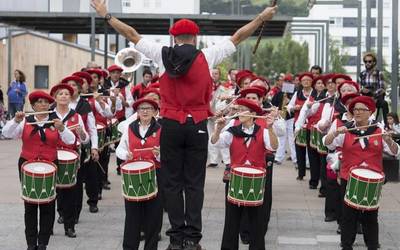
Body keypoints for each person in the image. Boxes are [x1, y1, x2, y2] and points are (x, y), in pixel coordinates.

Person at [91, 1, 278, 249]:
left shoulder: (161, 54)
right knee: (194, 183)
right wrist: (261, 18)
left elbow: (132, 34)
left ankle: (176, 237)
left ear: (174, 37)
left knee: (171, 182)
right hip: (197, 124)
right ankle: (193, 238)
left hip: (170, 124)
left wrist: (107, 16)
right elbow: (239, 35)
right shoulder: (208, 55)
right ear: (195, 37)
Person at [323, 96, 400, 250]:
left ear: (370, 112)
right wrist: (335, 133)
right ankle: (346, 245)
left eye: (360, 109)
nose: (356, 112)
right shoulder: (346, 129)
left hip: (373, 180)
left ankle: (372, 245)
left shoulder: (378, 130)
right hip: (348, 177)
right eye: (354, 109)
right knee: (348, 216)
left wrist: (390, 141)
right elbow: (327, 143)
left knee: (371, 216)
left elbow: (396, 152)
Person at [2, 90, 76, 250]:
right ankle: (31, 243)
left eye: (46, 102)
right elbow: (6, 133)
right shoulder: (25, 121)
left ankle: (43, 242)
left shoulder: (55, 121)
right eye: (39, 102)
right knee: (29, 205)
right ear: (34, 106)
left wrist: (62, 128)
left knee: (48, 204)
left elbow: (71, 140)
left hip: (50, 164)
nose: (43, 104)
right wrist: (15, 120)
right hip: (27, 163)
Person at [211, 98, 278, 250]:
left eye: (243, 110)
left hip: (257, 179)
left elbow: (274, 146)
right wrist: (218, 129)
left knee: (256, 220)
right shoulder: (232, 131)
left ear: (253, 114)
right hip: (236, 179)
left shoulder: (264, 131)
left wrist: (271, 128)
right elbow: (215, 142)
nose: (239, 112)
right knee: (232, 219)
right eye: (238, 109)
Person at [116, 98, 163, 250]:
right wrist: (126, 155)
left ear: (155, 112)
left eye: (149, 108)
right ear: (137, 112)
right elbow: (119, 150)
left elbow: (169, 155)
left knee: (153, 217)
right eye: (142, 108)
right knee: (132, 217)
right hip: (133, 176)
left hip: (155, 175)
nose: (145, 111)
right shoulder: (130, 128)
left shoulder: (162, 128)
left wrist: (158, 154)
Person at [50, 83, 89, 238]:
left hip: (71, 157)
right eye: (61, 94)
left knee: (70, 193)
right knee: (51, 194)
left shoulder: (76, 115)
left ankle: (69, 226)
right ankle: (48, 225)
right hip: (52, 156)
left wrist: (81, 133)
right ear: (55, 98)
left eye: (67, 94)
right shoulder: (49, 115)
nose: (64, 96)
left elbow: (84, 140)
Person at [287, 72, 314, 181]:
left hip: (311, 125)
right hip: (299, 124)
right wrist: (294, 108)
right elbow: (289, 106)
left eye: (308, 80)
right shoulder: (297, 93)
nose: (306, 82)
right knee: (299, 150)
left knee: (312, 151)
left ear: (312, 81)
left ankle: (314, 176)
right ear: (301, 82)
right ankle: (301, 173)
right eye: (304, 80)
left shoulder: (315, 93)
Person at [359, 52, 388, 124]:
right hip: (365, 98)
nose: (367, 63)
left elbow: (382, 88)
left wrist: (373, 94)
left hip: (376, 97)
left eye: (369, 61)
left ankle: (386, 124)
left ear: (374, 62)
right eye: (365, 61)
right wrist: (362, 90)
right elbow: (358, 87)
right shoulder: (362, 74)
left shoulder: (379, 73)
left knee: (384, 104)